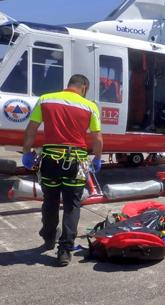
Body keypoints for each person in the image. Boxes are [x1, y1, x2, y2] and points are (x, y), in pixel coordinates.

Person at [22, 74, 103, 267]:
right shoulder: (90, 106)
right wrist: (98, 159)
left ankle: (49, 237)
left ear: (68, 85)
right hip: (76, 162)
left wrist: (26, 152)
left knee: (50, 201)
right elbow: (97, 139)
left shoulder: (46, 99)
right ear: (83, 87)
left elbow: (31, 130)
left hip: (50, 160)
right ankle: (65, 251)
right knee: (71, 205)